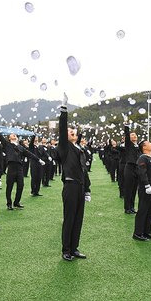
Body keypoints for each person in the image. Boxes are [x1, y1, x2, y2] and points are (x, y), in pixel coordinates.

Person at [58, 93, 91, 261]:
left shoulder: (80, 149)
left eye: (74, 132)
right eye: (70, 131)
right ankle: (66, 250)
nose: (72, 132)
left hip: (80, 186)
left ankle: (75, 248)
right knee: (69, 218)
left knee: (79, 218)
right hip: (70, 186)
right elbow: (63, 128)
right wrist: (64, 109)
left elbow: (84, 170)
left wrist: (87, 190)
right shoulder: (64, 147)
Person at [0, 128, 44, 210]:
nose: (14, 135)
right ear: (9, 138)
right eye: (12, 135)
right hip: (11, 167)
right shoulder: (7, 144)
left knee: (21, 185)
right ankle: (9, 203)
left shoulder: (20, 147)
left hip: (20, 167)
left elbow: (29, 154)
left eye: (15, 134)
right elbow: (0, 135)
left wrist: (38, 160)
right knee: (9, 186)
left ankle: (16, 202)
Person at [123, 124, 140, 214]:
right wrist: (126, 126)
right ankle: (127, 208)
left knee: (134, 189)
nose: (134, 136)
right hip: (129, 167)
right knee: (129, 189)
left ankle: (132, 207)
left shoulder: (138, 146)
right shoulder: (129, 144)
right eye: (132, 135)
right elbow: (126, 134)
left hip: (137, 168)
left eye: (135, 135)